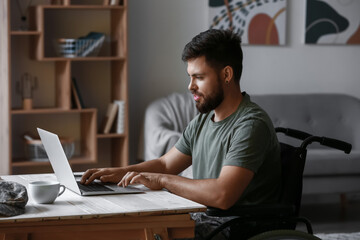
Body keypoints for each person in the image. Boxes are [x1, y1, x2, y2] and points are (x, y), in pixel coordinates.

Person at [81, 29, 281, 239]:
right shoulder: (204, 120)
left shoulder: (250, 125)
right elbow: (165, 165)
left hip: (236, 227)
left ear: (227, 75)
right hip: (208, 219)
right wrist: (118, 172)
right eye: (190, 77)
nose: (190, 86)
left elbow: (223, 195)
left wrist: (163, 181)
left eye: (199, 77)